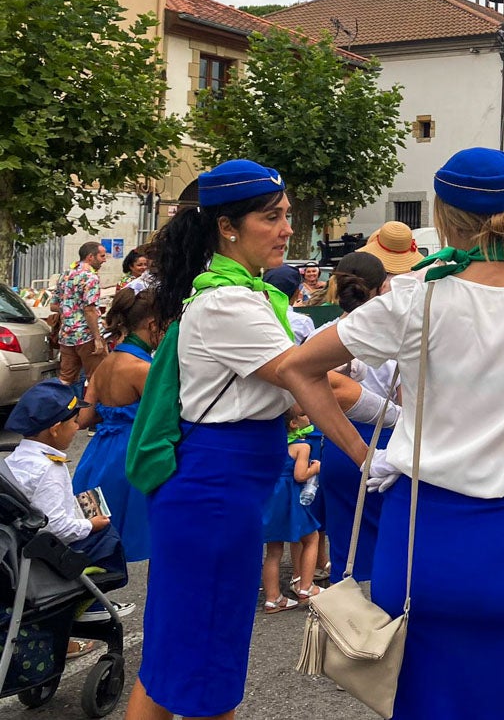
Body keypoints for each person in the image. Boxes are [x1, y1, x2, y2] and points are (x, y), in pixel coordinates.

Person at [278, 147, 504, 719]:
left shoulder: (418, 295)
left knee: (414, 701)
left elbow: (299, 368)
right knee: (496, 702)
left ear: (443, 216)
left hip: (417, 537)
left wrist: (363, 454)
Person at [126, 159, 309, 720]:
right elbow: (303, 375)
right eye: (272, 217)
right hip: (216, 490)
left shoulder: (243, 295)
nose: (287, 229)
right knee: (206, 661)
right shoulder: (230, 301)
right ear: (228, 227)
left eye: (287, 216)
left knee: (178, 655)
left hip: (217, 488)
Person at [308, 250, 400, 586]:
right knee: (393, 538)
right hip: (388, 438)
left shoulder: (322, 336)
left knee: (346, 541)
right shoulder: (396, 338)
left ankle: (347, 619)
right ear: (380, 288)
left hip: (337, 440)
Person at [5, 380, 133, 622]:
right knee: (107, 536)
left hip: (21, 547)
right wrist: (92, 525)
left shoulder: (17, 459)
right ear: (55, 429)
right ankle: (87, 600)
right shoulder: (49, 469)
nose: (77, 428)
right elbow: (56, 529)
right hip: (46, 555)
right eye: (74, 422)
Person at [73, 286, 157, 563]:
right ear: (152, 324)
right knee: (127, 535)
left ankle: (93, 596)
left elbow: (84, 418)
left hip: (96, 456)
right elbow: (161, 419)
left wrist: (111, 411)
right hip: (130, 455)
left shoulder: (104, 365)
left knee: (96, 530)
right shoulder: (142, 368)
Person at [260, 411, 322, 611]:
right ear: (294, 423)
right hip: (291, 500)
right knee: (311, 538)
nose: (308, 416)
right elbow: (300, 475)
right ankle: (306, 587)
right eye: (304, 414)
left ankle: (273, 598)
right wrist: (316, 468)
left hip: (271, 499)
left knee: (274, 550)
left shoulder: (271, 444)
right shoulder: (302, 446)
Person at [55, 241, 108, 387]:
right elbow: (89, 309)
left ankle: (65, 408)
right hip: (86, 334)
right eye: (102, 256)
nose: (105, 259)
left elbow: (54, 304)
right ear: (91, 257)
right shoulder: (90, 277)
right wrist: (97, 338)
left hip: (67, 334)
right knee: (98, 378)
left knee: (66, 378)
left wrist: (69, 311)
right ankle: (92, 409)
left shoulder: (66, 274)